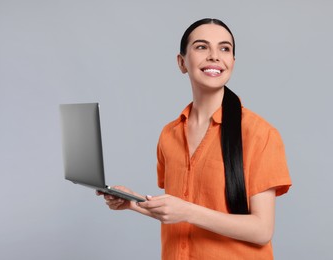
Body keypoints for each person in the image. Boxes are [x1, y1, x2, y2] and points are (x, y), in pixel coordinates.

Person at [97, 18, 292, 259]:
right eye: (201, 47)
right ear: (181, 62)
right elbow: (176, 211)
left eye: (224, 48)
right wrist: (133, 203)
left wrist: (188, 211)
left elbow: (262, 230)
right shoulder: (169, 135)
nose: (214, 56)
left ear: (232, 61)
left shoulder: (260, 134)